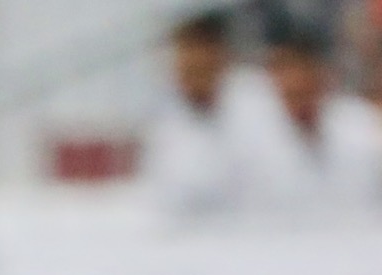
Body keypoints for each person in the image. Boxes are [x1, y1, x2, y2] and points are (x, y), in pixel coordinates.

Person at [145, 10, 278, 214]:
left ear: (222, 53)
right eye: (185, 50)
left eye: (202, 48)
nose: (194, 60)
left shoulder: (261, 104)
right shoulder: (162, 116)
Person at [246, 20, 382, 209]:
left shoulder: (364, 127)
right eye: (285, 72)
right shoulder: (249, 140)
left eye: (303, 71)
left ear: (322, 75)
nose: (295, 82)